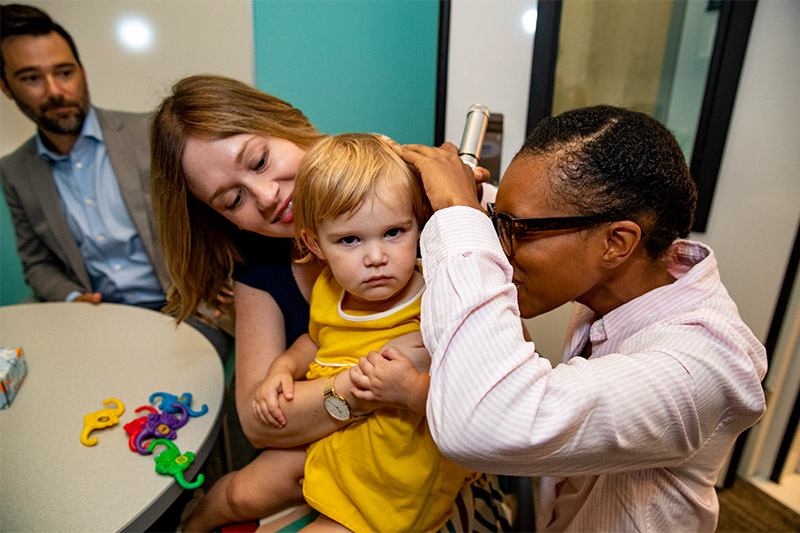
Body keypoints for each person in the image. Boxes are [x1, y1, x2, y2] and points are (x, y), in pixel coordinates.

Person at [150, 74, 515, 531]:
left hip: (427, 464)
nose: (266, 197)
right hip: (340, 455)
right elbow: (261, 423)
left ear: (287, 122)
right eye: (233, 199)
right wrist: (369, 378)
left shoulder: (412, 199)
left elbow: (498, 376)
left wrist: (469, 213)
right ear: (314, 245)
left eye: (260, 160)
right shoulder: (260, 266)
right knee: (242, 490)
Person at [381, 104, 768, 531]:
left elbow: (480, 423)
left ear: (616, 243)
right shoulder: (621, 278)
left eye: (516, 231)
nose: (501, 247)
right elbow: (540, 215)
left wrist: (458, 210)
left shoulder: (702, 365)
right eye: (496, 223)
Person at [183, 133, 469, 532]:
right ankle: (191, 523)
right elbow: (316, 340)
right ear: (314, 245)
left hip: (394, 478)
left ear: (419, 224)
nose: (375, 257)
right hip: (334, 443)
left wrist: (409, 390)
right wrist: (283, 368)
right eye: (349, 240)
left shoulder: (438, 297)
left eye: (394, 232)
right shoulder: (330, 291)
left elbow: (470, 407)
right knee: (238, 493)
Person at [0, 4, 231, 355]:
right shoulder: (15, 171)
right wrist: (71, 296)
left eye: (64, 72)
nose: (54, 91)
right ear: (6, 88)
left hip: (185, 306)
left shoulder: (152, 133)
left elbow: (214, 212)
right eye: (31, 78)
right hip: (94, 317)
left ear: (83, 73)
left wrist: (213, 279)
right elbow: (36, 262)